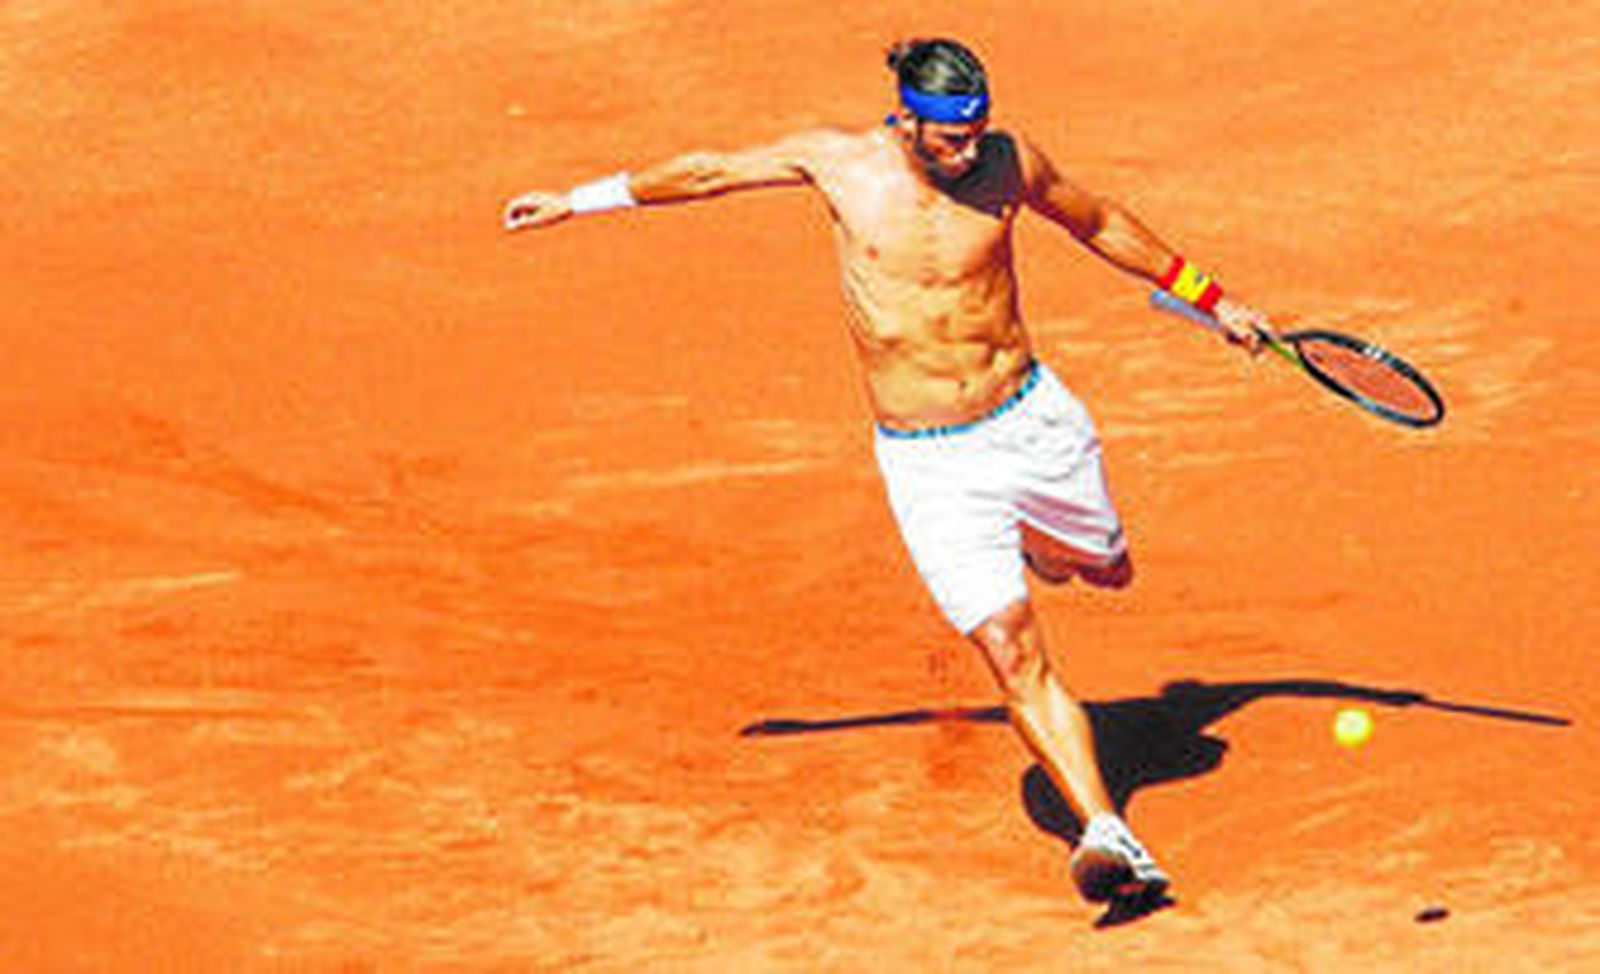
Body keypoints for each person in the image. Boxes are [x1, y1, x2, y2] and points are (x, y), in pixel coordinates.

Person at [504, 37, 1272, 904]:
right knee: (1010, 650)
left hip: (1033, 425)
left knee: (1110, 569)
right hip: (931, 464)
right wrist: (577, 200)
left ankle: (1053, 549)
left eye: (977, 132)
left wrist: (1212, 301)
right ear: (904, 119)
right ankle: (1107, 831)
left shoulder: (1009, 164)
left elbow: (1099, 221)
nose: (968, 150)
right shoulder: (839, 166)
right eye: (950, 137)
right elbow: (710, 171)